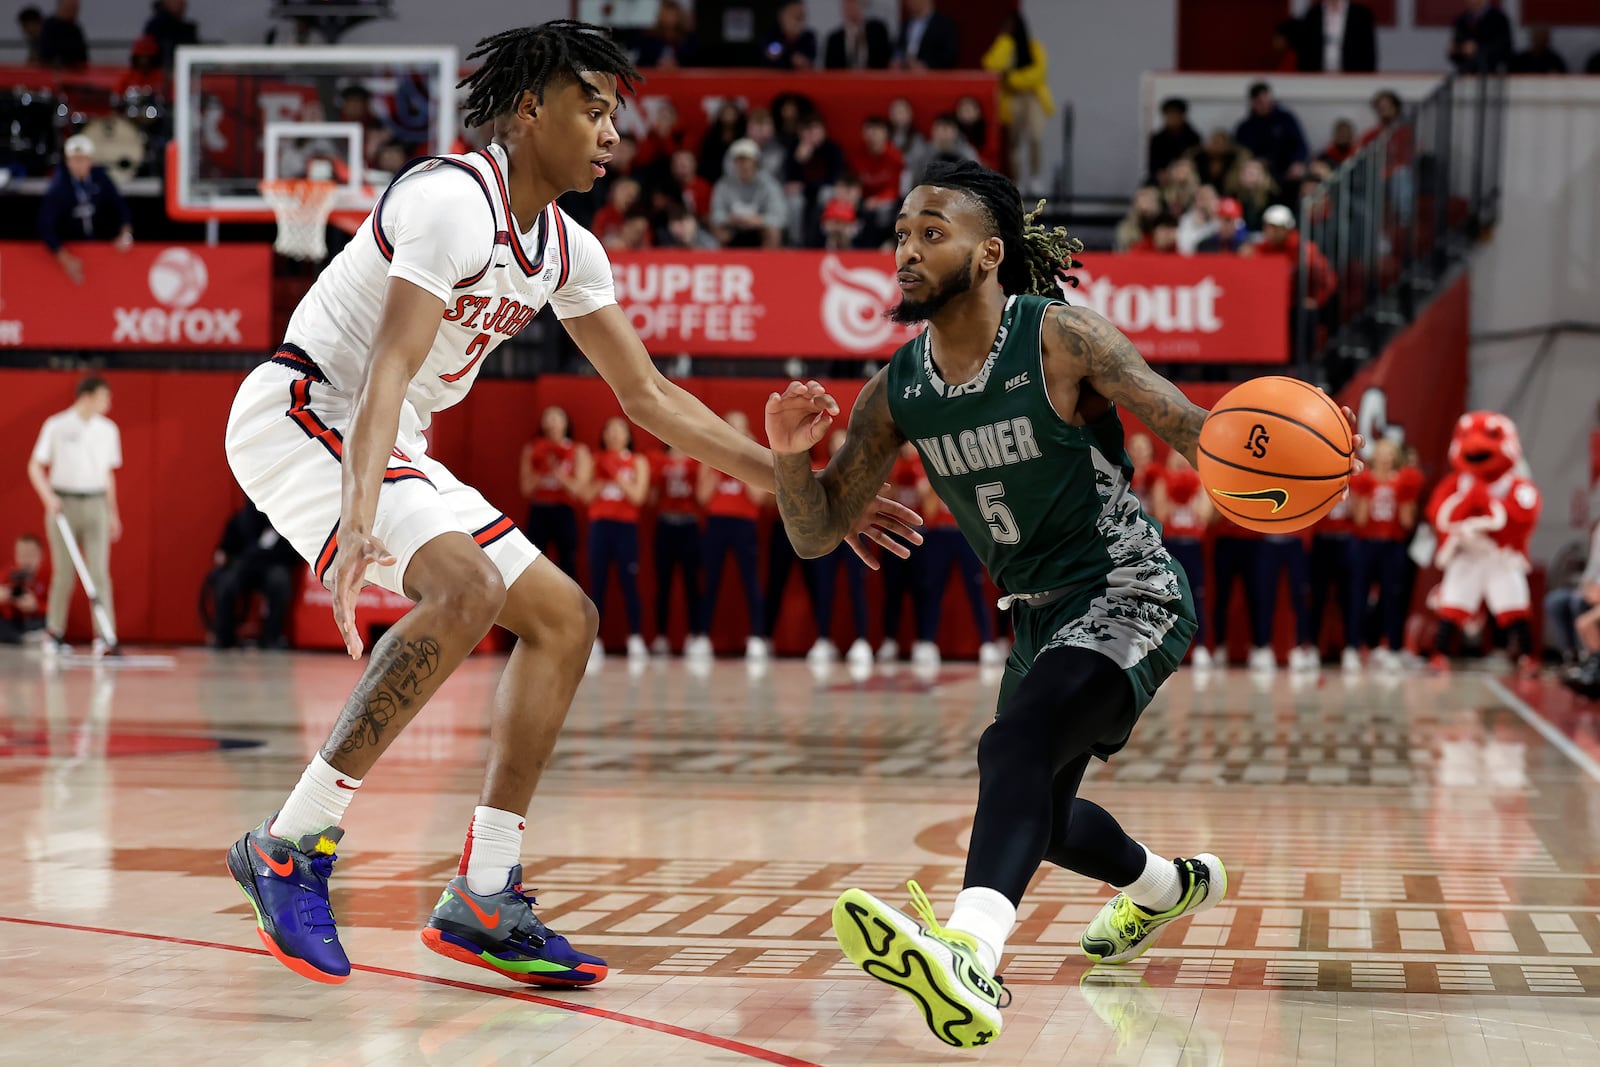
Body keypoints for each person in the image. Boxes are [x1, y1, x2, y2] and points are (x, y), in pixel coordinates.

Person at [222, 20, 919, 989]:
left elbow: (652, 400)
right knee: (463, 587)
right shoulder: (450, 201)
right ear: (528, 110)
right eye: (591, 109)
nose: (609, 133)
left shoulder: (566, 247)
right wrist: (363, 511)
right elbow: (384, 368)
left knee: (563, 618)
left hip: (393, 433)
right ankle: (289, 844)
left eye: (614, 116)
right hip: (307, 407)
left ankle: (485, 892)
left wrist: (805, 480)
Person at [767, 157, 1363, 1047]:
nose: (907, 250)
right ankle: (1169, 886)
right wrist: (786, 455)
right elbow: (818, 535)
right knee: (1035, 813)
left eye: (933, 232)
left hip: (1128, 588)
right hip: (1037, 614)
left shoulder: (1060, 340)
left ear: (989, 253)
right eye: (901, 233)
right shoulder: (897, 390)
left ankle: (969, 956)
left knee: (1011, 746)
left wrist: (1290, 469)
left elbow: (1189, 427)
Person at [28, 375, 122, 657]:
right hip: (63, 504)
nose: (108, 403)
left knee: (99, 572)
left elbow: (108, 474)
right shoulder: (57, 425)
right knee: (64, 574)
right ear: (87, 396)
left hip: (95, 504)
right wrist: (49, 498)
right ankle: (54, 632)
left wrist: (113, 512)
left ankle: (105, 635)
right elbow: (34, 466)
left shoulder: (108, 430)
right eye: (103, 396)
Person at [697, 411, 771, 663]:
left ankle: (757, 637)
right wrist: (719, 463)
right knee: (710, 581)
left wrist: (741, 463)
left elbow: (758, 497)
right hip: (717, 522)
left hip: (744, 523)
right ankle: (702, 636)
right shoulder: (710, 452)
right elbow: (703, 497)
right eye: (731, 427)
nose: (735, 432)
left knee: (750, 581)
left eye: (740, 428)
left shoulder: (755, 457)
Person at [39, 135, 133, 286]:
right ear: (68, 162)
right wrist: (65, 258)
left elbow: (120, 205)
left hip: (102, 244)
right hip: (73, 244)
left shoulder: (100, 178)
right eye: (74, 160)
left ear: (90, 160)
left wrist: (125, 233)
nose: (79, 165)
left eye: (83, 159)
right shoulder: (59, 185)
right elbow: (45, 225)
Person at [209, 499, 299, 649]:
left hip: (273, 564)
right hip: (245, 564)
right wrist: (224, 553)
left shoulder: (283, 524)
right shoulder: (243, 518)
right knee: (226, 582)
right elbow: (225, 547)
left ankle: (271, 637)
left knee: (280, 581)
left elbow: (291, 555)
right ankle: (224, 637)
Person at [981, 12, 1053, 196]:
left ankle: (1035, 177)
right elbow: (991, 66)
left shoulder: (1035, 48)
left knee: (1035, 136)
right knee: (1014, 142)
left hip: (1032, 97)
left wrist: (1011, 79)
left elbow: (1037, 74)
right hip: (1012, 99)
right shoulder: (1005, 46)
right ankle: (1018, 180)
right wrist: (1004, 42)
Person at [518, 405, 588, 579]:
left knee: (567, 563)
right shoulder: (533, 448)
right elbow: (526, 489)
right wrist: (541, 469)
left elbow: (579, 490)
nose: (552, 422)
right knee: (534, 562)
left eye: (556, 418)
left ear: (565, 423)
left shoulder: (577, 450)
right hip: (539, 509)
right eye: (548, 418)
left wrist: (557, 471)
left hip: (564, 510)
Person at [649, 442, 705, 656]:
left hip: (689, 524)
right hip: (665, 524)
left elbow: (701, 496)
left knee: (692, 583)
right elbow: (651, 498)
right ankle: (661, 636)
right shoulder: (659, 460)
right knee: (663, 583)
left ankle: (695, 635)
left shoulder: (697, 458)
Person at [1295, 0, 1377, 73]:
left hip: (1352, 78)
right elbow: (1305, 53)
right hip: (1318, 79)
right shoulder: (1312, 14)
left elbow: (1369, 54)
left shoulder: (1361, 14)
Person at [0, 534, 47, 644]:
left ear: (40, 555)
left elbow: (57, 607)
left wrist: (36, 606)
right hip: (12, 622)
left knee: (49, 622)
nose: (25, 560)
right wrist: (6, 595)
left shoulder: (48, 576)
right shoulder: (9, 573)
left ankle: (27, 637)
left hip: (36, 621)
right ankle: (21, 637)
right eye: (22, 555)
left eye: (30, 555)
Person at [824, 0, 890, 70]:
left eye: (854, 3)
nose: (851, 7)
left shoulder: (878, 30)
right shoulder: (834, 39)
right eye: (847, 4)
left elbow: (887, 59)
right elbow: (829, 71)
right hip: (845, 80)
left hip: (874, 78)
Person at [1449, 0, 1513, 73]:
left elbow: (1505, 47)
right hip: (1466, 72)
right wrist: (1457, 49)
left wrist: (1478, 48)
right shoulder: (1461, 19)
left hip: (1491, 72)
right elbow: (1457, 47)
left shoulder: (1499, 18)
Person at [894, 0, 958, 71]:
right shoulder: (905, 24)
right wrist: (898, 60)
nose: (909, 2)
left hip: (932, 78)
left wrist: (926, 67)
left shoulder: (944, 25)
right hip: (904, 75)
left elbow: (949, 57)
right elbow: (899, 48)